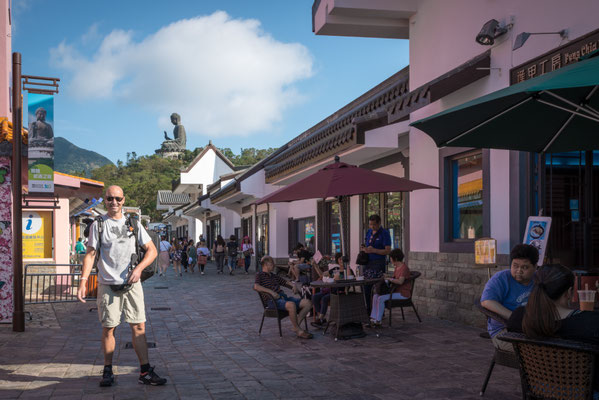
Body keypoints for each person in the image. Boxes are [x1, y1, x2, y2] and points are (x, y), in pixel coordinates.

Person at [76, 185, 166, 387]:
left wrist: (139, 269)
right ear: (105, 200)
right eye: (109, 199)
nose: (113, 202)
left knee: (139, 326)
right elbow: (90, 254)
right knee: (109, 328)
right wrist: (83, 281)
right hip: (108, 284)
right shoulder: (98, 225)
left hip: (132, 284)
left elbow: (151, 250)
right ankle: (107, 370)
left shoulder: (133, 223)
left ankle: (145, 371)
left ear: (123, 200)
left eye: (117, 198)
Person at [506, 264, 599, 394]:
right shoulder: (591, 324)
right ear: (569, 292)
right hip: (584, 393)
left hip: (539, 389)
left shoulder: (519, 317)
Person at [480, 243, 538, 351]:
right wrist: (514, 317)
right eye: (515, 266)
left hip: (532, 329)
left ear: (535, 267)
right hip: (503, 331)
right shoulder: (501, 278)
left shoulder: (539, 279)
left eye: (525, 267)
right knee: (535, 351)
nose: (519, 271)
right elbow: (486, 301)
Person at [254, 256, 313, 339]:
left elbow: (285, 282)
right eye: (271, 264)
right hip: (272, 301)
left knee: (308, 303)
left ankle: (296, 327)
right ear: (265, 265)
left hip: (283, 298)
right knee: (291, 305)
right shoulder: (259, 275)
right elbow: (256, 287)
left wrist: (293, 285)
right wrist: (271, 292)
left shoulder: (273, 276)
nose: (274, 265)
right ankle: (298, 331)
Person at [370, 248, 411, 326]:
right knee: (375, 296)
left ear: (395, 258)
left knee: (381, 298)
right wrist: (387, 277)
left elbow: (400, 281)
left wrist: (389, 279)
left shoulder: (404, 268)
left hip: (402, 293)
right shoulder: (397, 267)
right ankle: (373, 318)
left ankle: (378, 320)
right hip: (395, 291)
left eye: (391, 258)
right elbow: (394, 278)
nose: (390, 260)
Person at [361, 214, 391, 312]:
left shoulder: (384, 233)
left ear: (379, 223)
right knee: (366, 286)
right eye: (370, 224)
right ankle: (368, 309)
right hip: (367, 263)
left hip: (378, 263)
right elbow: (367, 245)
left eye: (374, 225)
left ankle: (379, 311)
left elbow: (387, 251)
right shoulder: (369, 232)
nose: (372, 227)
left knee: (378, 288)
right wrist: (364, 249)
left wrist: (374, 250)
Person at [311, 253, 344, 327]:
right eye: (340, 259)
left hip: (339, 292)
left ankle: (320, 319)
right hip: (330, 290)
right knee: (315, 297)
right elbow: (322, 275)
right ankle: (321, 319)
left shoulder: (347, 270)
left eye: (342, 259)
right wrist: (315, 266)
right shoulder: (335, 269)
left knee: (324, 298)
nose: (341, 260)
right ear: (337, 260)